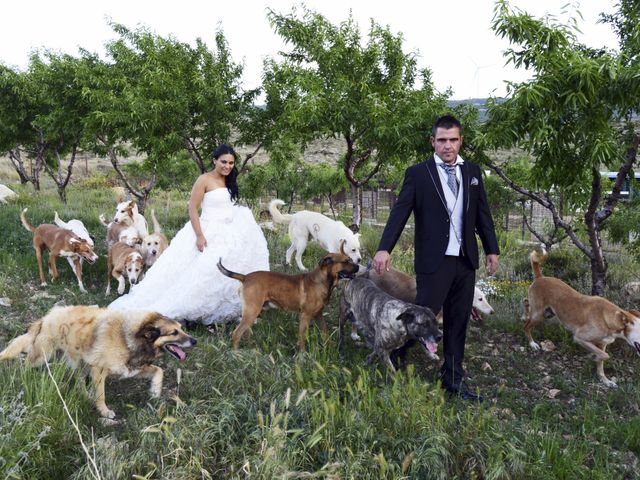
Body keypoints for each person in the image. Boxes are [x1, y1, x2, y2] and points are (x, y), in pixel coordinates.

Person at [372, 115, 499, 402]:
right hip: (433, 262)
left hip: (465, 261)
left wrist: (492, 249)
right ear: (433, 141)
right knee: (420, 317)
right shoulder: (419, 174)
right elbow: (399, 212)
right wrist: (384, 248)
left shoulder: (473, 173)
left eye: (453, 140)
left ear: (460, 140)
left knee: (457, 322)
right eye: (442, 140)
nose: (448, 146)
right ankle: (394, 355)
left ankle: (452, 380)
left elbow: (483, 216)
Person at [109, 144, 270, 325]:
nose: (227, 166)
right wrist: (200, 236)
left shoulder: (230, 180)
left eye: (231, 163)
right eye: (223, 162)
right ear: (214, 160)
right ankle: (195, 309)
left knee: (231, 267)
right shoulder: (204, 179)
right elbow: (193, 208)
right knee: (203, 271)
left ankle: (232, 306)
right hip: (207, 229)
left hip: (228, 230)